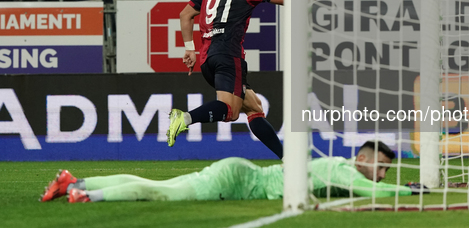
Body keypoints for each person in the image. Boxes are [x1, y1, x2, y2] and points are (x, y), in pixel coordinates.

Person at [169, 0, 284, 158]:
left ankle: (287, 159)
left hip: (208, 59)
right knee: (230, 111)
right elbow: (289, 0)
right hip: (229, 55)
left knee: (254, 107)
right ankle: (185, 118)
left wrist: (189, 49)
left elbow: (185, 15)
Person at [40, 141, 427, 203]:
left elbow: (370, 187)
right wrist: (412, 190)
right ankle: (87, 195)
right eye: (381, 165)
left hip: (242, 174)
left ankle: (75, 182)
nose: (382, 173)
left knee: (156, 185)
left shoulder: (341, 168)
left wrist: (402, 184)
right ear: (362, 156)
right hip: (240, 182)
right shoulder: (344, 171)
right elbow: (372, 193)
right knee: (161, 193)